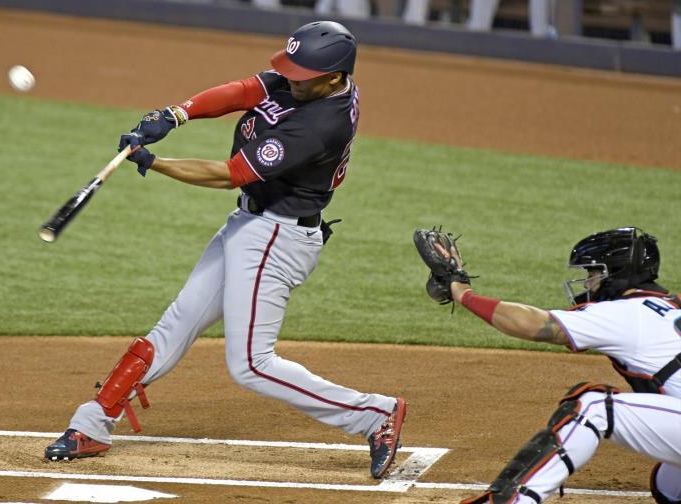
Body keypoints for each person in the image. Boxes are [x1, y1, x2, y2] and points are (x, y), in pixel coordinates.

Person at [44, 21, 408, 480]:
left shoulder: (320, 124)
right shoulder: (313, 82)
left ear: (334, 77)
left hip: (277, 238)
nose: (291, 78)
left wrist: (154, 162)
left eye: (302, 74)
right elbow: (244, 91)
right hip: (251, 224)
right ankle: (93, 423)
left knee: (252, 364)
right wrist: (175, 115)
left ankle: (375, 414)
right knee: (177, 322)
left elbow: (230, 174)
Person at [421, 227, 681, 503]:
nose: (587, 284)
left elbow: (532, 324)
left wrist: (464, 293)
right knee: (668, 483)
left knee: (592, 406)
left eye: (592, 274)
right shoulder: (671, 305)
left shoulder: (626, 312)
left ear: (614, 273)